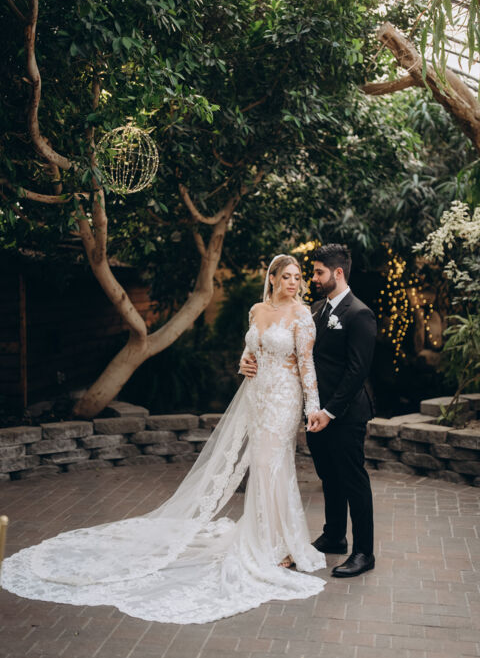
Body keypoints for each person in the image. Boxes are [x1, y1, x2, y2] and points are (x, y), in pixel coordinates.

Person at [1, 254, 327, 624]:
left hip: (284, 397)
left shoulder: (302, 315)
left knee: (272, 463)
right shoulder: (257, 310)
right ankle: (267, 536)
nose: (293, 282)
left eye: (297, 277)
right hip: (258, 396)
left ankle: (282, 545)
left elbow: (306, 365)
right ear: (272, 279)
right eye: (287, 276)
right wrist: (243, 362)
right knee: (262, 466)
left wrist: (312, 409)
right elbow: (252, 350)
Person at [242, 244, 377, 578]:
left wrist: (328, 411)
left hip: (343, 412)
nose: (312, 279)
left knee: (353, 479)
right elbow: (295, 354)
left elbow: (357, 371)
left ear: (338, 273)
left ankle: (364, 552)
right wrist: (247, 360)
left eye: (318, 272)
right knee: (328, 475)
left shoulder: (360, 314)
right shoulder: (314, 309)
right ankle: (334, 535)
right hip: (312, 410)